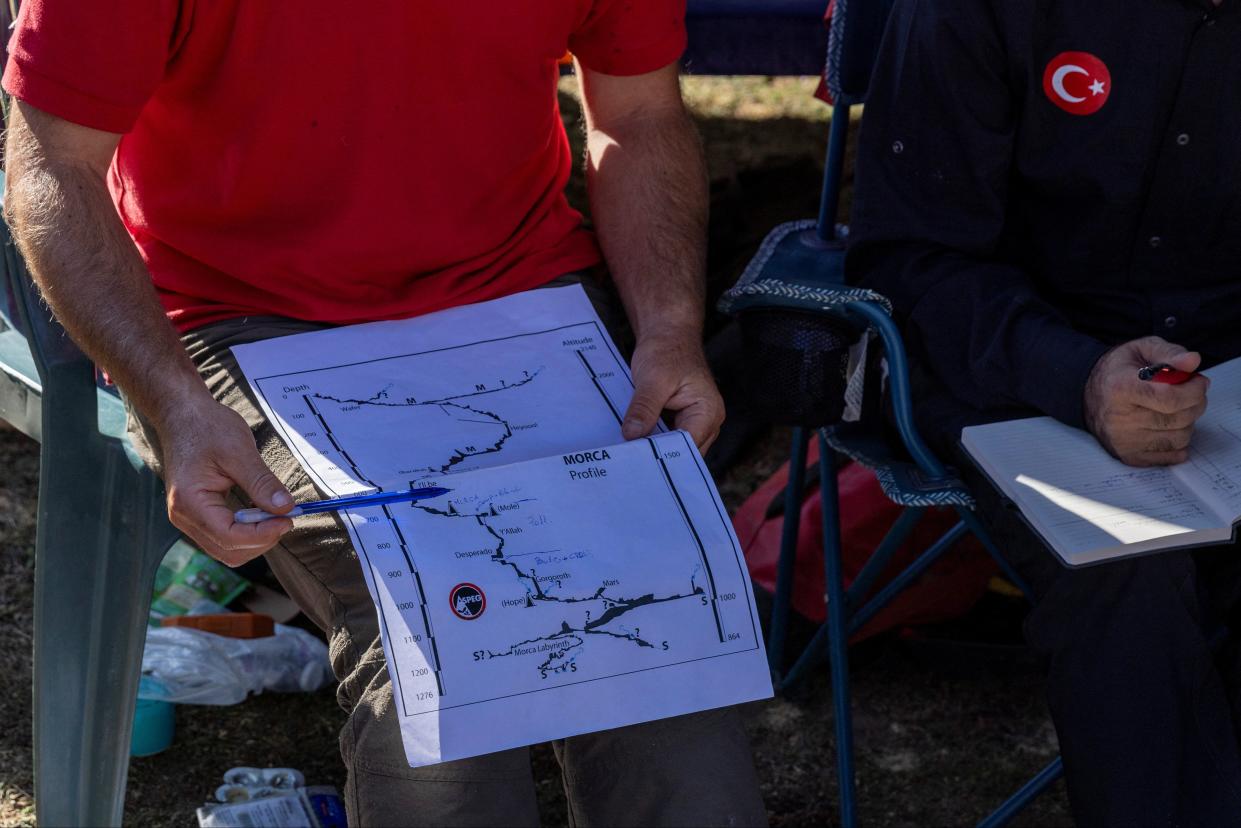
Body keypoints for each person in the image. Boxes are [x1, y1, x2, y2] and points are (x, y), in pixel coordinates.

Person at [1, 2, 768, 824]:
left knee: (663, 588)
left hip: (518, 294)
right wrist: (174, 401)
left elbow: (641, 114)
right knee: (427, 623)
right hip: (235, 315)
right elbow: (50, 167)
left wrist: (669, 330)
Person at [848, 0, 1241, 823]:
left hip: (1224, 373)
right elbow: (912, 256)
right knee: (1129, 568)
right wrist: (1079, 377)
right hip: (1012, 365)